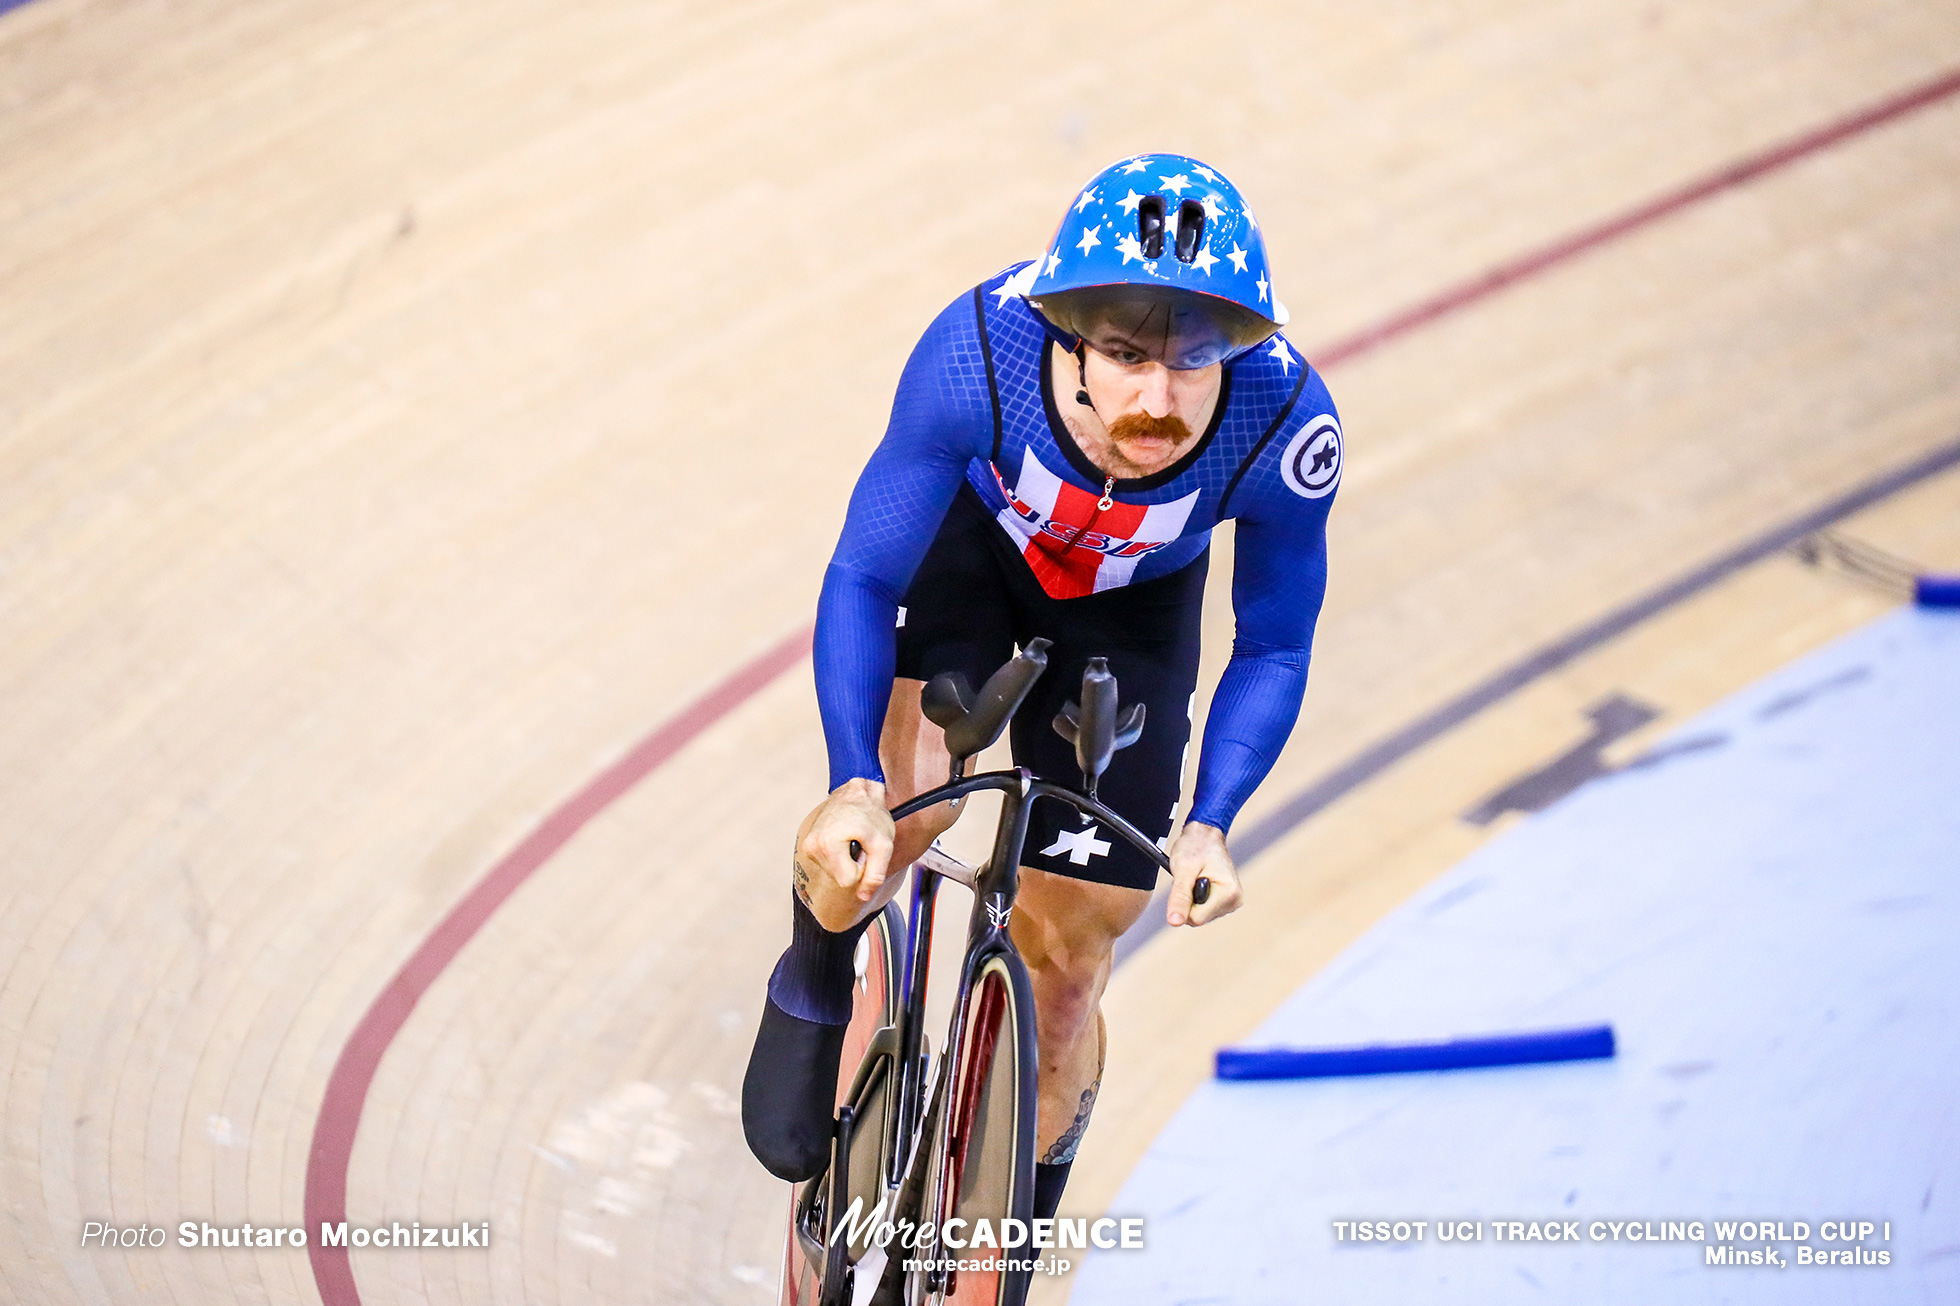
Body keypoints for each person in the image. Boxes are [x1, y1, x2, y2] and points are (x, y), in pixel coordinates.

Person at [742, 153, 1341, 1221]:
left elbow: (1275, 645)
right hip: (976, 557)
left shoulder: (1285, 416)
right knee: (886, 827)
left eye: (1193, 355)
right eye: (1123, 353)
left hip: (1129, 614)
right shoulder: (978, 354)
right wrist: (848, 780)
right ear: (1066, 332)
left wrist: (1209, 822)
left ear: (1238, 348)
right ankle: (816, 972)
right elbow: (865, 573)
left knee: (1071, 961)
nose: (1157, 394)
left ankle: (1004, 1237)